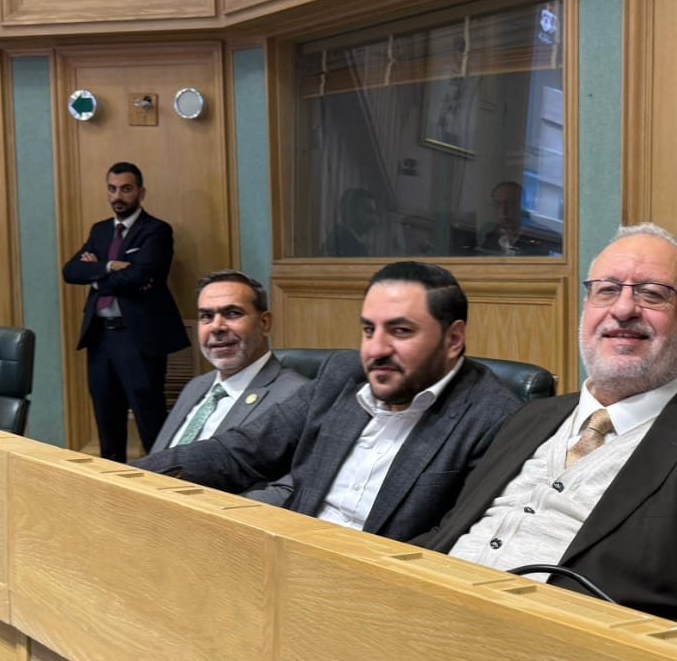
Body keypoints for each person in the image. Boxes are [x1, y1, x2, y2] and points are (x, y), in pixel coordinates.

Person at [415, 224, 677, 644]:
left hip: (560, 659)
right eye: (606, 290)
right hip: (421, 621)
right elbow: (446, 531)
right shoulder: (529, 417)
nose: (623, 309)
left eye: (652, 294)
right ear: (586, 308)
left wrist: (614, 652)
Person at [133, 262, 520, 542]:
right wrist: (125, 477)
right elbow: (239, 453)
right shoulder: (342, 376)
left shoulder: (494, 417)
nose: (376, 349)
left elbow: (450, 542)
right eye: (368, 330)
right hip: (288, 552)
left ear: (453, 340)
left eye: (400, 331)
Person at [63, 162, 189, 461]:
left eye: (126, 189)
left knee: (150, 421)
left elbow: (142, 275)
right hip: (100, 338)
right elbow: (71, 271)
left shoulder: (156, 230)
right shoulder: (100, 231)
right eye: (112, 189)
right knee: (107, 421)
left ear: (141, 193)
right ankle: (112, 482)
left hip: (139, 339)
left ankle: (161, 480)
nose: (118, 196)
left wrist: (96, 277)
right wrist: (108, 266)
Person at [148, 271, 308, 453]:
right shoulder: (196, 386)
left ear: (265, 323)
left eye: (232, 313)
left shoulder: (294, 398)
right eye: (206, 316)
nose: (216, 327)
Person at [481, 181, 549, 255]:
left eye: (510, 204)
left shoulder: (545, 237)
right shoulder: (488, 232)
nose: (503, 211)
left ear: (523, 205)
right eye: (497, 204)